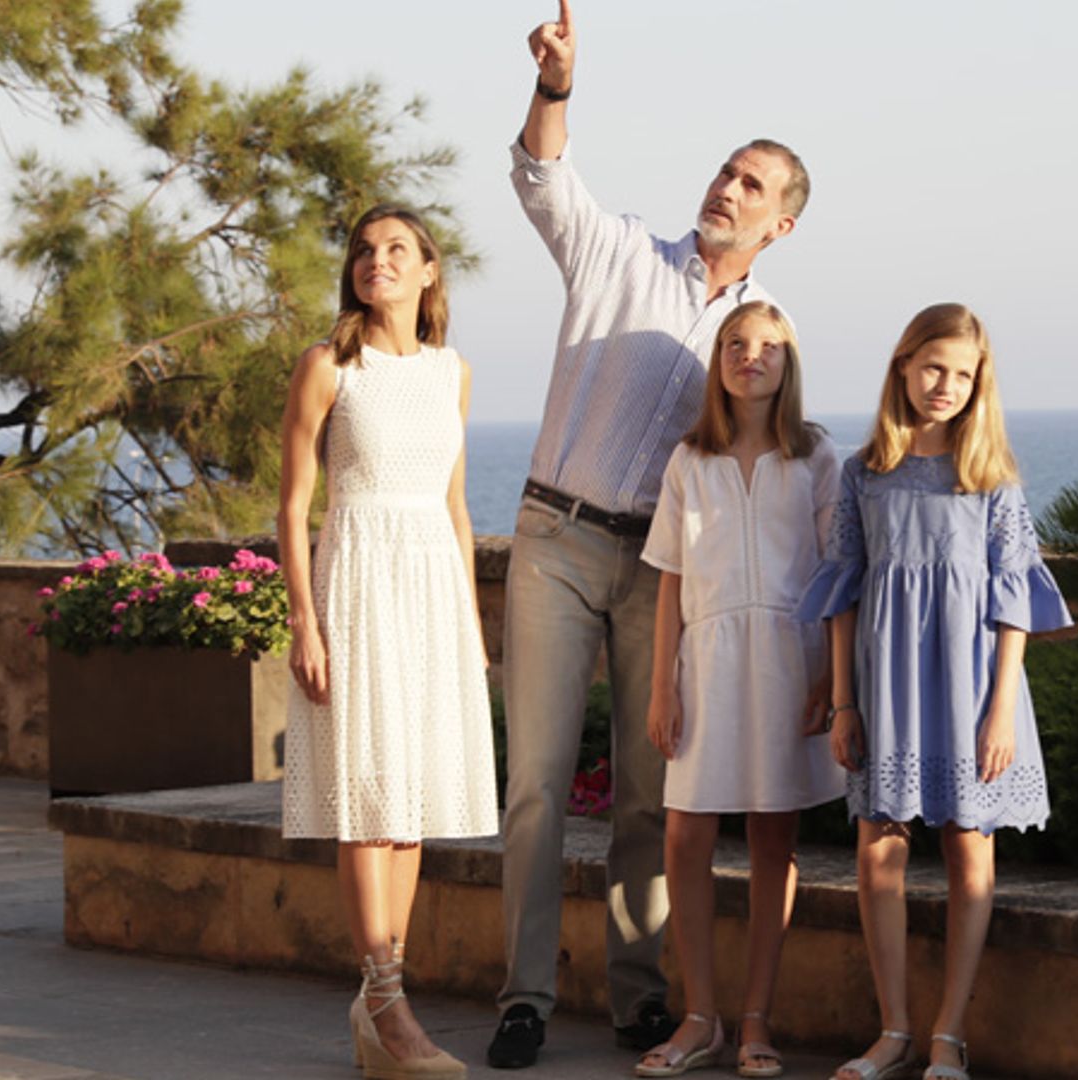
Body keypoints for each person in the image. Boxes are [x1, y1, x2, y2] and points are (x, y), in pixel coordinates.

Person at [489, 1, 813, 1070]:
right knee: (536, 778)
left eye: (753, 184)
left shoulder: (763, 339)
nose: (728, 186)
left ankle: (640, 997)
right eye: (727, 169)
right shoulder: (619, 251)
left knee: (648, 790)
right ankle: (526, 994)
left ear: (783, 224)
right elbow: (542, 179)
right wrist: (558, 85)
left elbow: (778, 465)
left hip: (661, 571)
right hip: (556, 538)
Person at [798, 304, 1072, 1080]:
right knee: (878, 845)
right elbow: (844, 596)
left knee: (966, 846)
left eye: (961, 373)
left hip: (975, 686)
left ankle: (948, 1034)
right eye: (932, 367)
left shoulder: (991, 478)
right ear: (903, 366)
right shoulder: (865, 473)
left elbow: (1013, 603)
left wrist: (1000, 711)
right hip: (886, 684)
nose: (944, 385)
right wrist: (845, 702)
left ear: (979, 381)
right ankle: (893, 1032)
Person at [278, 204, 498, 1080]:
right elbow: (294, 507)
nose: (379, 262)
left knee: (409, 806)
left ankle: (383, 1003)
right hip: (358, 582)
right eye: (365, 251)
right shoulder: (328, 367)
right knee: (370, 795)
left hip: (431, 591)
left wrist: (471, 627)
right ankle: (386, 1001)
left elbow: (453, 504)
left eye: (398, 250)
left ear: (429, 270)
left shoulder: (453, 373)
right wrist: (305, 621)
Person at [632, 301, 844, 1078]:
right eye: (734, 344)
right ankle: (699, 1015)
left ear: (789, 364)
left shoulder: (817, 456)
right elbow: (670, 581)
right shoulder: (691, 459)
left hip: (790, 661)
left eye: (766, 347)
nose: (748, 356)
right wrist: (662, 686)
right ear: (717, 359)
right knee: (685, 833)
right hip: (708, 660)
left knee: (771, 838)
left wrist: (829, 674)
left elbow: (835, 575)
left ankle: (756, 1019)